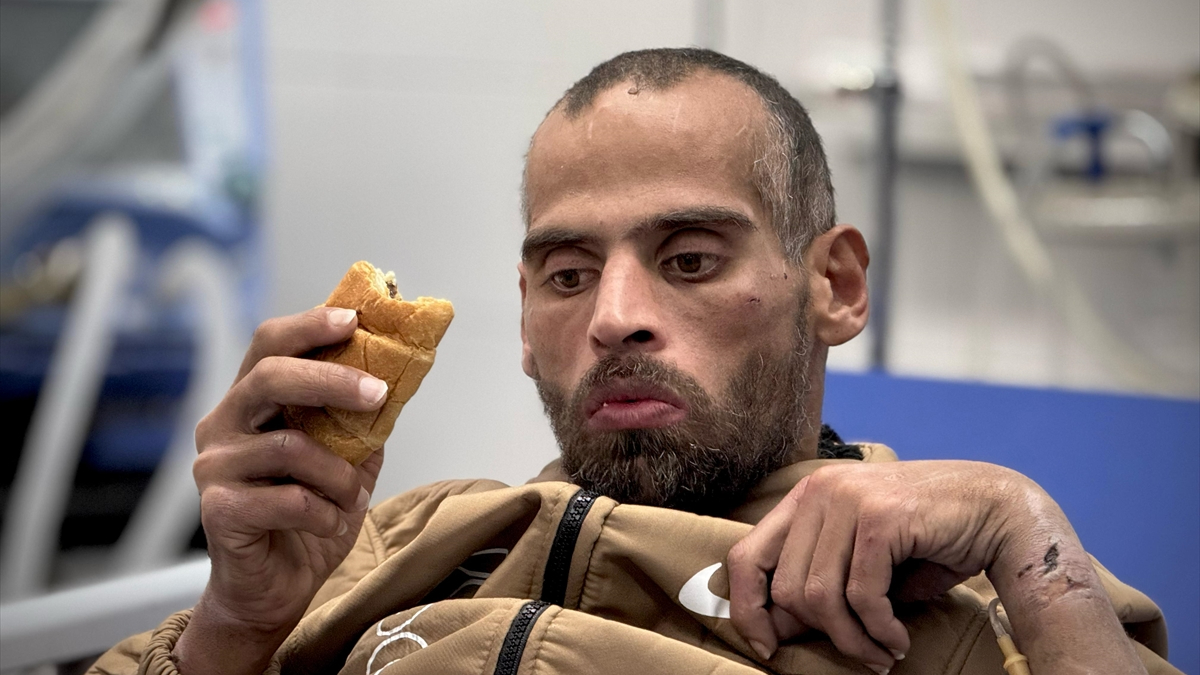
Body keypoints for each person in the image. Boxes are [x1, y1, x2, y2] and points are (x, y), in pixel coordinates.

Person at [89, 49, 1177, 675]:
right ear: (525, 320)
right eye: (567, 274)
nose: (614, 318)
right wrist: (240, 623)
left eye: (690, 259)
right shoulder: (381, 551)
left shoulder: (959, 595)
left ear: (835, 285)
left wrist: (1019, 523)